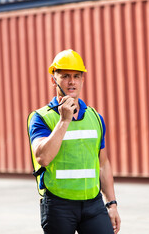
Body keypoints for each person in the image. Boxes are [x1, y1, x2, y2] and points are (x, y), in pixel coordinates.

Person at [27, 49, 121, 234]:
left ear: (82, 79)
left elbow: (103, 165)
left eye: (76, 76)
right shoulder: (41, 118)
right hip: (58, 206)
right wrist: (64, 121)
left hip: (93, 205)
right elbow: (43, 158)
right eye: (65, 76)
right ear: (53, 79)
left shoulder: (95, 117)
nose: (72, 81)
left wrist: (111, 204)